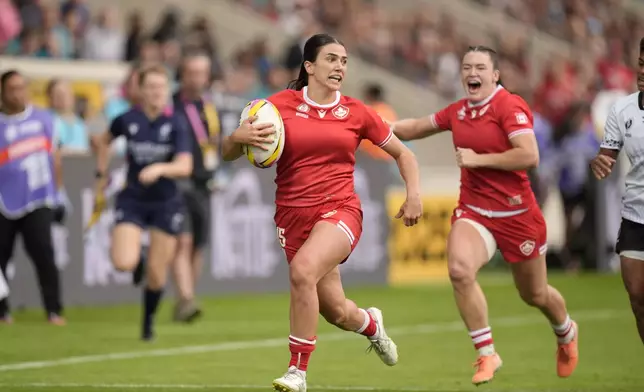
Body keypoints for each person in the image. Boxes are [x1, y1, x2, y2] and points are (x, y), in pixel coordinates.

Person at [223, 33, 422, 392]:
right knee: (337, 312)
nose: (339, 67)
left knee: (302, 272)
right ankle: (371, 325)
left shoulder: (357, 112)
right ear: (309, 66)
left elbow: (404, 154)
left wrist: (414, 195)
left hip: (341, 210)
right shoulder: (275, 107)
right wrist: (237, 138)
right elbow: (228, 152)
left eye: (344, 61)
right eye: (332, 59)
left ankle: (297, 373)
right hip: (292, 217)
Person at [391, 46, 579, 385]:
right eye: (466, 67)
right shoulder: (458, 111)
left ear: (495, 75)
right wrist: (368, 125)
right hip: (475, 211)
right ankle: (486, 353)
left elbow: (529, 155)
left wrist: (479, 159)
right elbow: (417, 126)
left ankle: (566, 332)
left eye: (480, 67)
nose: (471, 72)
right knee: (459, 270)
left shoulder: (510, 106)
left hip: (518, 214)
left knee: (534, 295)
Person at [92, 65, 192, 340]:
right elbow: (102, 141)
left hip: (165, 202)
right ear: (140, 91)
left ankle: (148, 322)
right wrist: (100, 175)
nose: (157, 92)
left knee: (157, 276)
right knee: (123, 262)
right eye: (151, 87)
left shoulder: (176, 123)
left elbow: (185, 165)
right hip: (133, 198)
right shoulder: (126, 119)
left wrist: (160, 169)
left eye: (161, 87)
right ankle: (138, 260)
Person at [0, 70, 67, 325]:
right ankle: (2, 311)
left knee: (43, 253)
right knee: (1, 256)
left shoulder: (44, 119)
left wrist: (59, 191)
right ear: (3, 92)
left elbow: (55, 157)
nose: (18, 94)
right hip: (3, 200)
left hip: (38, 198)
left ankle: (54, 310)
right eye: (12, 89)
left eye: (21, 87)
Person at [590, 37, 644, 345]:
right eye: (640, 63)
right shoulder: (621, 109)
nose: (643, 71)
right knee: (637, 297)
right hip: (636, 214)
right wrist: (600, 162)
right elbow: (607, 154)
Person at [169, 52, 221, 322]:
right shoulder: (172, 104)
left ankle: (185, 297)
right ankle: (187, 298)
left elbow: (214, 142)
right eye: (193, 73)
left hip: (204, 182)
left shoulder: (209, 105)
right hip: (178, 181)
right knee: (183, 241)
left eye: (203, 73)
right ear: (183, 74)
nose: (199, 78)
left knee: (198, 244)